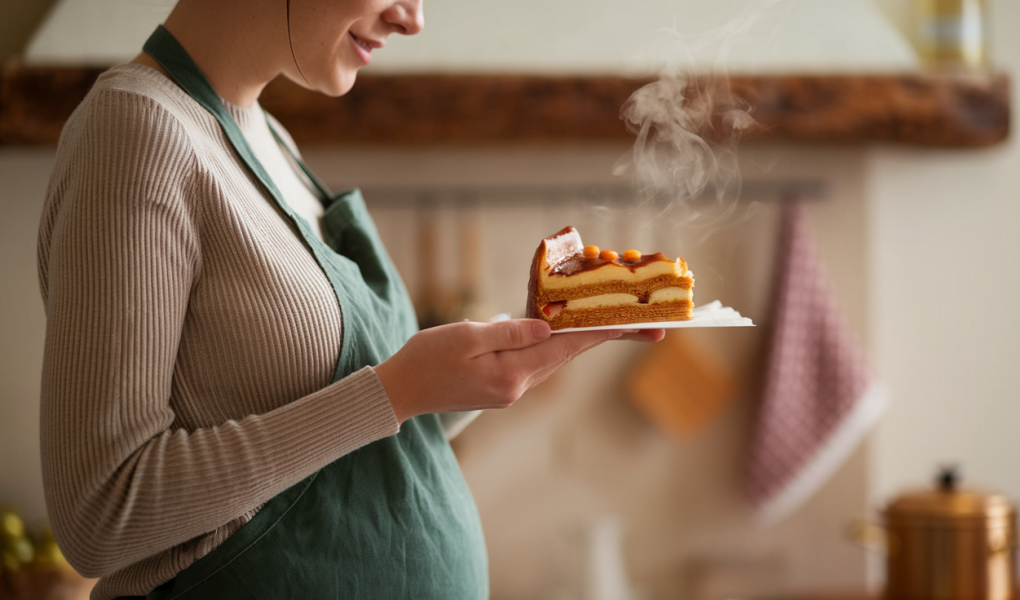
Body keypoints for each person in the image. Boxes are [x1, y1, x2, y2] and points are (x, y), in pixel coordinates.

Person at [36, 0, 665, 598]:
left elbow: (334, 458)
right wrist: (398, 390)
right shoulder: (134, 130)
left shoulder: (268, 138)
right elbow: (101, 514)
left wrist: (506, 355)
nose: (413, 19)